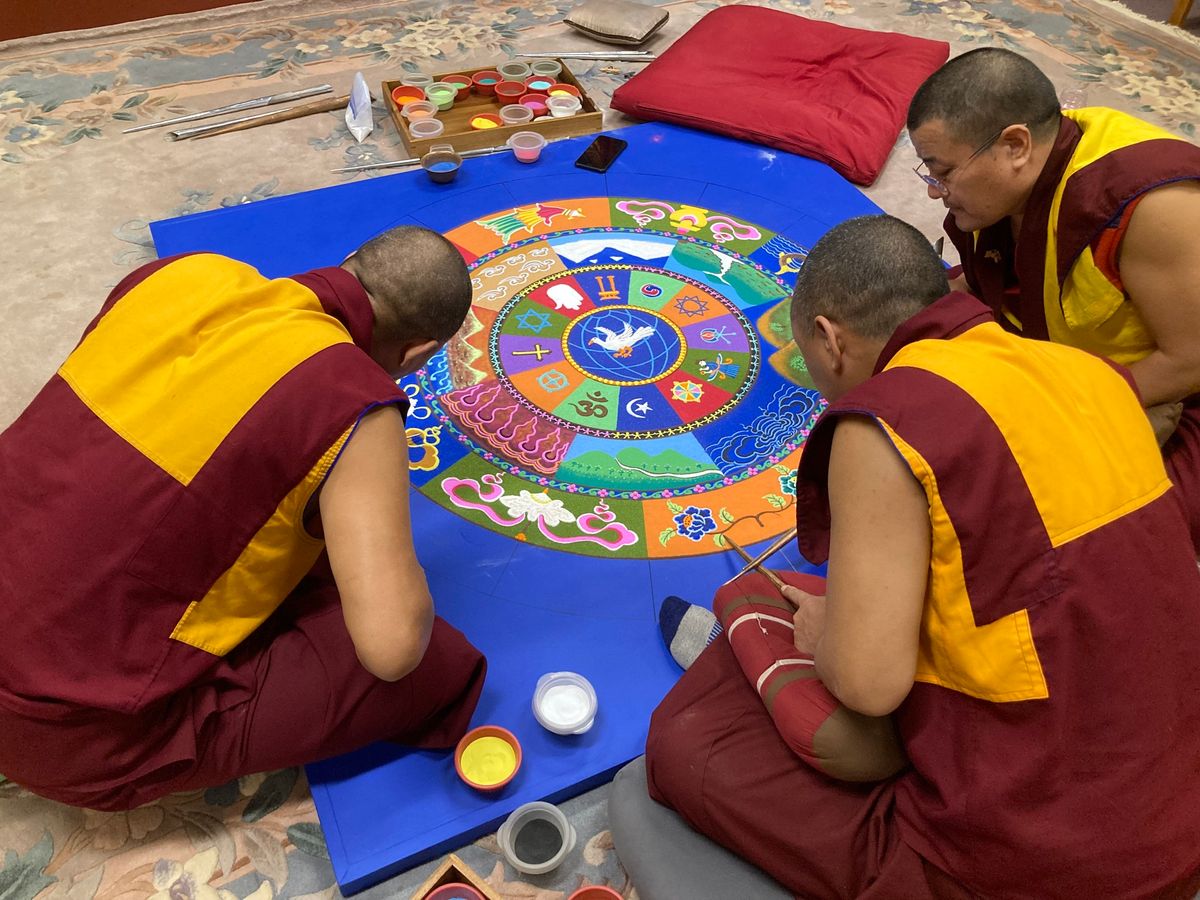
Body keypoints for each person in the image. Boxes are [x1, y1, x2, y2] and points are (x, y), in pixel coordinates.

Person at [643, 215, 1200, 898]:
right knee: (817, 591)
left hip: (1048, 854)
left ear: (828, 337)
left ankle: (748, 665)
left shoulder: (887, 422)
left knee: (685, 745)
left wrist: (824, 639)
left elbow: (867, 686)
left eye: (810, 363)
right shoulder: (1089, 374)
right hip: (1179, 796)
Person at [0, 225, 487, 811]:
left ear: (350, 261)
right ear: (417, 353)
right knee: (436, 667)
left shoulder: (182, 274)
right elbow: (393, 649)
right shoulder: (355, 400)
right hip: (58, 729)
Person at [905, 47, 1200, 548]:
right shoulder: (1012, 190)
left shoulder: (1154, 209)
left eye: (944, 172)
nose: (936, 192)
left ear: (1016, 146)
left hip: (1171, 392)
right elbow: (987, 283)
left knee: (1040, 537)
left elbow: (1191, 359)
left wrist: (1056, 413)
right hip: (1069, 362)